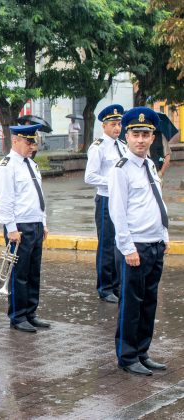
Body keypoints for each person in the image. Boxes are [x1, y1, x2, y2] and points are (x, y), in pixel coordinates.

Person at [108, 107, 169, 376]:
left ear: (153, 138)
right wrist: (128, 247)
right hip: (136, 247)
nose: (141, 139)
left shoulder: (150, 165)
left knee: (148, 302)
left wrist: (164, 236)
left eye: (146, 134)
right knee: (131, 304)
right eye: (135, 134)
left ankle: (142, 351)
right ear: (127, 136)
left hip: (155, 243)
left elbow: (157, 202)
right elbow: (117, 212)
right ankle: (127, 355)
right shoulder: (121, 169)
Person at [0, 124, 50, 333]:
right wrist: (10, 228)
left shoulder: (31, 165)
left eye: (33, 142)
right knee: (19, 274)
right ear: (15, 140)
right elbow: (5, 199)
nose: (32, 146)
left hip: (34, 223)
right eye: (29, 142)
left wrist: (43, 223)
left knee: (33, 272)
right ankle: (18, 316)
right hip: (18, 227)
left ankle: (30, 312)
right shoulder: (7, 166)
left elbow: (39, 196)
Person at [84, 104, 127, 304]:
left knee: (121, 243)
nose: (117, 128)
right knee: (107, 245)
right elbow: (90, 176)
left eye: (119, 124)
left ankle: (117, 285)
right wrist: (112, 182)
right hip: (106, 199)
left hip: (122, 200)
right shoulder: (98, 147)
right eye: (113, 124)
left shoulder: (123, 146)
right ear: (104, 126)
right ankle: (105, 287)